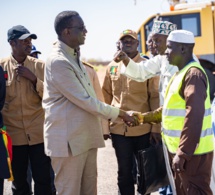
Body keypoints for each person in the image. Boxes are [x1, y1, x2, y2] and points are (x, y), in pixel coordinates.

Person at [42, 10, 135, 195]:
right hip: (68, 143)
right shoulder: (58, 61)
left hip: (84, 138)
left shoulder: (74, 56)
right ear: (67, 32)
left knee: (89, 190)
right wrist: (121, 114)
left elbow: (93, 98)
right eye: (81, 27)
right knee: (69, 191)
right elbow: (86, 102)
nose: (86, 31)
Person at [134, 30, 214, 194]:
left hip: (192, 155)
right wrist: (143, 118)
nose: (165, 51)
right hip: (181, 151)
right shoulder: (179, 73)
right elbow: (169, 110)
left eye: (169, 47)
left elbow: (194, 116)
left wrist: (183, 153)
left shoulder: (193, 75)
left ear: (183, 49)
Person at [102, 29, 160, 195]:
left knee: (145, 173)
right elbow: (106, 96)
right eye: (124, 40)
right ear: (119, 43)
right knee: (124, 172)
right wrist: (105, 126)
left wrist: (156, 128)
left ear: (137, 43)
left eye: (131, 40)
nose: (127, 42)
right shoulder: (111, 67)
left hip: (143, 129)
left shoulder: (146, 66)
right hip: (119, 129)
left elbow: (154, 97)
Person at [0, 25, 52, 195]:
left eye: (30, 40)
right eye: (24, 40)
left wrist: (34, 79)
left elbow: (53, 97)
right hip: (14, 137)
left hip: (39, 135)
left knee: (44, 180)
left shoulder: (41, 66)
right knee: (19, 183)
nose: (29, 43)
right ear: (12, 43)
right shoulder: (1, 68)